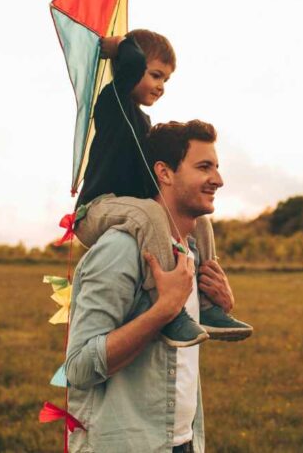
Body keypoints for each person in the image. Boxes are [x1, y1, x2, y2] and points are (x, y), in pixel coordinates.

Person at [72, 30, 252, 347]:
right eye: (156, 75)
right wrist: (119, 47)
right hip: (96, 209)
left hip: (131, 207)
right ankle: (169, 309)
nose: (161, 86)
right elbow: (131, 61)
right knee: (151, 212)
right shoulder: (113, 103)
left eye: (166, 80)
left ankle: (208, 306)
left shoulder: (144, 124)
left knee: (201, 223)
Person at [65, 120, 234, 452]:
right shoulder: (121, 250)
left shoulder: (192, 252)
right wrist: (163, 311)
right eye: (204, 167)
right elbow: (79, 368)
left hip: (183, 441)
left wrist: (219, 305)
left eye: (216, 167)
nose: (218, 179)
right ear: (165, 172)